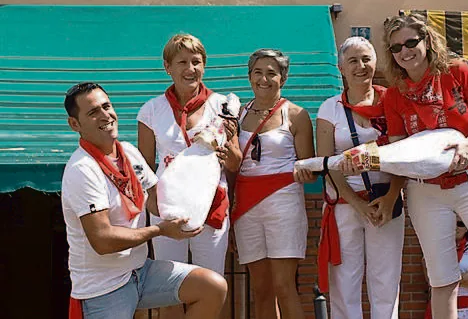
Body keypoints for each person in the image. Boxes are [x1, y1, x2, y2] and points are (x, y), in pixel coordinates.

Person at [380, 13, 468, 319]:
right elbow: (399, 150)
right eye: (396, 48)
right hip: (426, 191)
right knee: (442, 278)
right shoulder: (394, 95)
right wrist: (365, 160)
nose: (405, 51)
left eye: (410, 42)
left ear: (427, 41)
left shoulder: (456, 71)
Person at [62, 82, 227, 319]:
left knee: (212, 287)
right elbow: (102, 240)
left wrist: (204, 158)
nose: (105, 115)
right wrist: (160, 230)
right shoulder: (82, 169)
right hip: (102, 288)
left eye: (106, 106)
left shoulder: (127, 151)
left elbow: (156, 199)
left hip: (140, 271)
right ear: (74, 124)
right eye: (93, 112)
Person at [137, 33, 241, 318]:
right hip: (167, 209)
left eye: (196, 61)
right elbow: (144, 168)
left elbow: (235, 162)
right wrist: (150, 210)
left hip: (212, 206)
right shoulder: (150, 110)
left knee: (212, 283)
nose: (190, 68)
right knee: (169, 288)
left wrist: (227, 150)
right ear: (167, 67)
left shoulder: (223, 105)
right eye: (182, 61)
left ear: (204, 66)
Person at [315, 36, 405, 319]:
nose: (360, 66)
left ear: (375, 62)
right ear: (341, 67)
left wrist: (390, 198)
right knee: (344, 282)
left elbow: (404, 153)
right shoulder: (330, 108)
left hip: (387, 203)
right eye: (352, 60)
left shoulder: (393, 100)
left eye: (366, 59)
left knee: (386, 280)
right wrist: (356, 203)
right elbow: (328, 163)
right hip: (345, 204)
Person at [232, 49, 315, 319]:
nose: (264, 79)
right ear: (249, 76)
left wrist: (305, 171)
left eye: (271, 73)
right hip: (246, 205)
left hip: (283, 201)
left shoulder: (297, 114)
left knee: (283, 285)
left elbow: (309, 166)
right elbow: (233, 164)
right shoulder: (238, 114)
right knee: (260, 288)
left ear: (283, 78)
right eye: (258, 72)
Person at [423, 216, 468, 319]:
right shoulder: (434, 248)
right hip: (442, 308)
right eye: (452, 223)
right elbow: (431, 278)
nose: (456, 227)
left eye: (460, 224)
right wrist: (466, 278)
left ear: (466, 227)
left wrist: (445, 278)